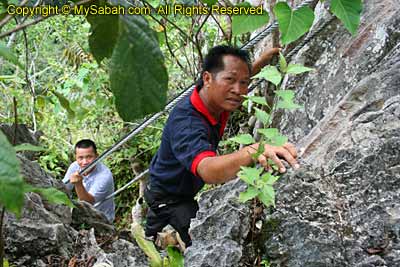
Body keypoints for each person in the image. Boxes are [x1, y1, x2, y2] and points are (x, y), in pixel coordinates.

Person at [144, 45, 299, 247]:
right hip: (167, 201)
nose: (238, 90)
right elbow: (208, 170)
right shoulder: (187, 122)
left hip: (183, 191)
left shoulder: (216, 99)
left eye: (243, 83)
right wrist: (253, 150)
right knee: (204, 245)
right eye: (230, 80)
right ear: (207, 79)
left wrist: (263, 59)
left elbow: (242, 78)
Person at [64, 139, 115, 222]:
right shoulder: (74, 166)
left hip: (102, 220)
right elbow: (64, 188)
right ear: (75, 157)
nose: (85, 162)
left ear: (97, 156)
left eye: (89, 157)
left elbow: (87, 202)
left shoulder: (104, 175)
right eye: (80, 158)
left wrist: (78, 184)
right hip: (83, 215)